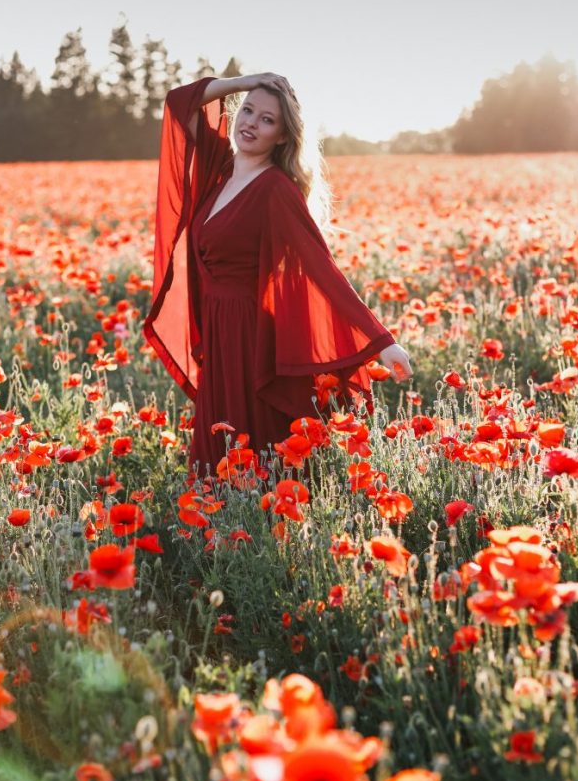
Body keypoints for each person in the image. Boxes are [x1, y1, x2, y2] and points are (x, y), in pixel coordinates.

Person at [143, 71, 412, 485]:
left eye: (267, 120)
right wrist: (245, 81)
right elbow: (179, 103)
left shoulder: (275, 189)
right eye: (247, 110)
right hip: (219, 332)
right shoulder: (220, 169)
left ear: (283, 137)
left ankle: (266, 528)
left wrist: (381, 342)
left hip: (253, 338)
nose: (250, 123)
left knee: (254, 454)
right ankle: (217, 537)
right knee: (219, 454)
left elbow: (321, 267)